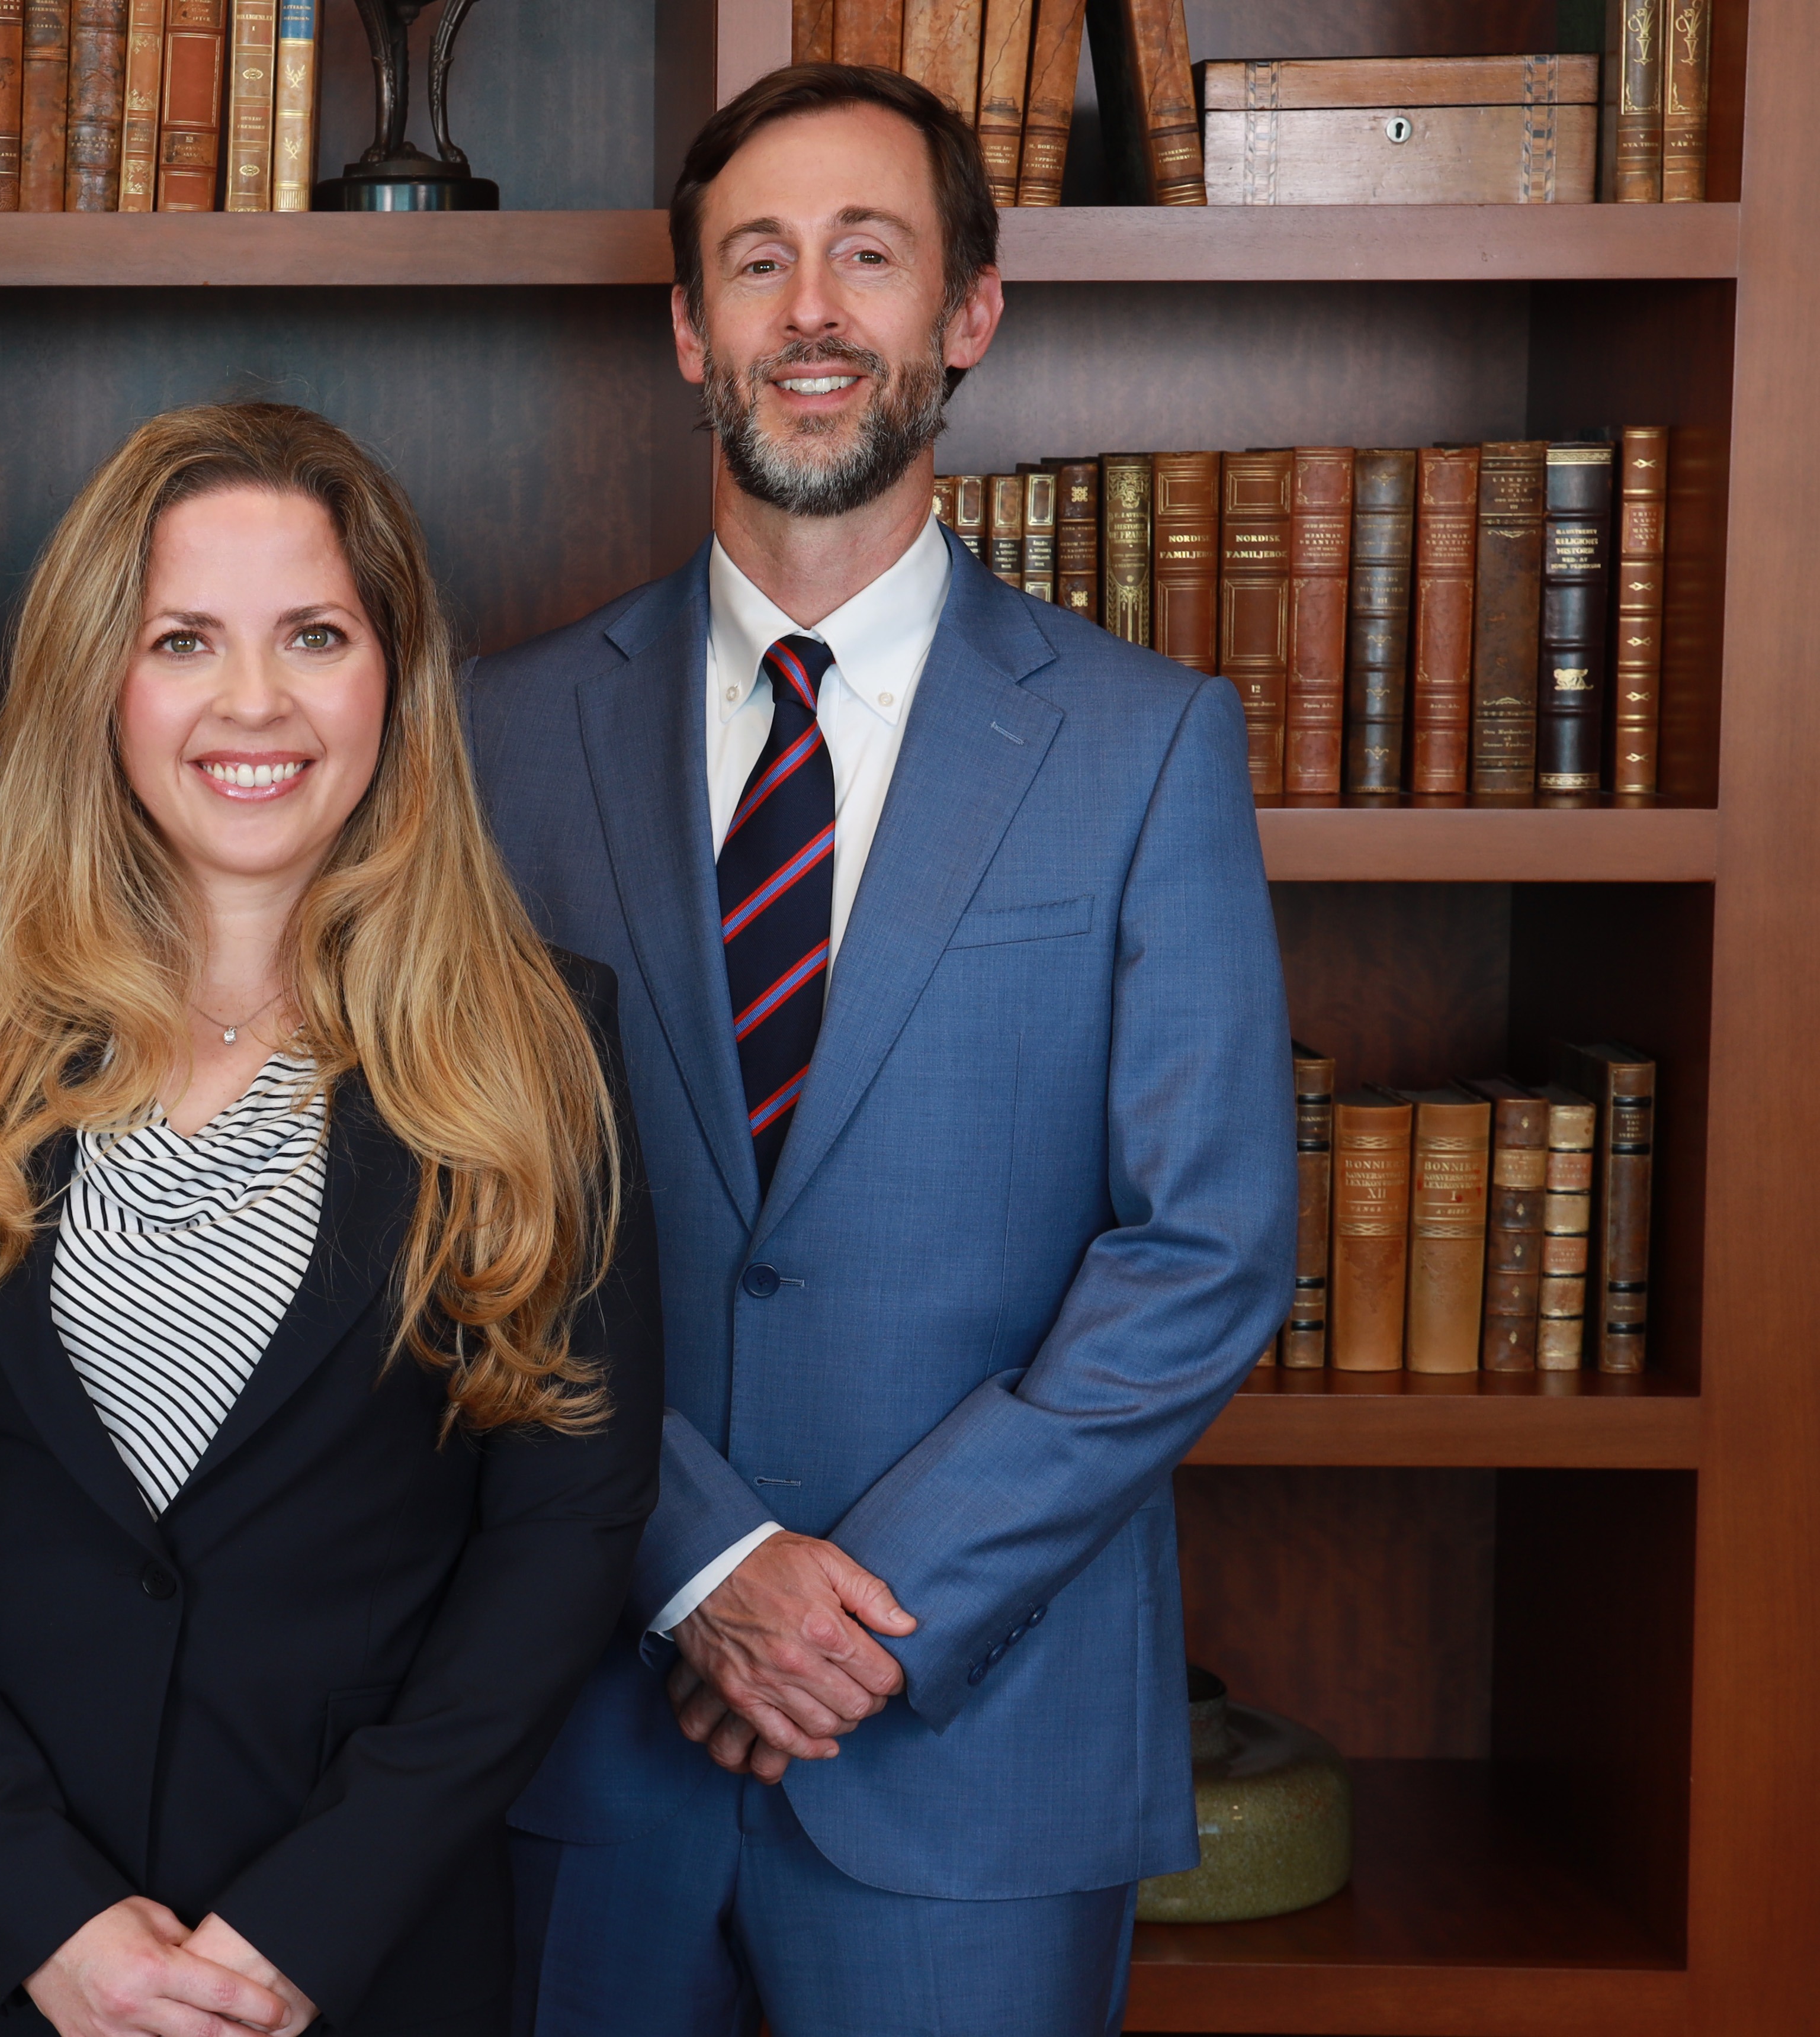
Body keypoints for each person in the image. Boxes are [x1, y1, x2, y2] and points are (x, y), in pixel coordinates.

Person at [467, 65, 1295, 2037]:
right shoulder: (495, 736)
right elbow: (446, 1204)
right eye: (757, 263)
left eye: (869, 255)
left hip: (974, 1743)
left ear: (967, 313)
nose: (811, 311)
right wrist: (701, 1560)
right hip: (578, 1728)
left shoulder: (1141, 739)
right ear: (689, 330)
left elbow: (1205, 1251)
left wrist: (861, 1606)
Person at [0, 402, 662, 2036]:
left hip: (355, 1965)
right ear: (103, 678)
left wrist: (303, 1928)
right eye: (185, 639)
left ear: (393, 674)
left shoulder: (538, 1043)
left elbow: (561, 1537)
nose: (255, 704)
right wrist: (48, 1916)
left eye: (313, 635)